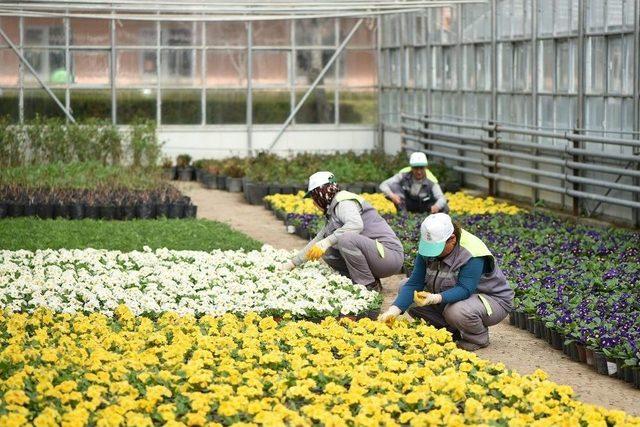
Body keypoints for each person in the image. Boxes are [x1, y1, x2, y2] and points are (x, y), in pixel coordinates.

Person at [378, 213, 514, 351]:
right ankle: (449, 330)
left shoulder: (472, 252)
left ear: (452, 239)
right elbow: (414, 283)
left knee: (456, 311)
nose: (432, 254)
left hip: (491, 300)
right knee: (406, 289)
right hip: (451, 293)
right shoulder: (428, 245)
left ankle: (477, 338)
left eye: (437, 249)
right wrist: (394, 310)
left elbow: (465, 289)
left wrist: (435, 298)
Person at [283, 171, 404, 291]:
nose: (314, 203)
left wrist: (326, 242)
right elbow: (318, 240)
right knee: (326, 249)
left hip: (390, 257)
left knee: (345, 239)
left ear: (321, 193)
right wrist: (292, 264)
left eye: (314, 197)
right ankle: (366, 280)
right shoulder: (334, 209)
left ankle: (368, 285)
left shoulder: (344, 202)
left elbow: (355, 225)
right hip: (378, 256)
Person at [379, 152, 449, 214]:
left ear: (425, 168)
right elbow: (383, 185)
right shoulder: (403, 175)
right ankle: (402, 213)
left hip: (425, 207)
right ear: (411, 168)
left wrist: (437, 206)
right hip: (407, 204)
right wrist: (392, 195)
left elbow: (442, 198)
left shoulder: (431, 180)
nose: (419, 171)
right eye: (416, 168)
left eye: (421, 168)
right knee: (394, 186)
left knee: (444, 207)